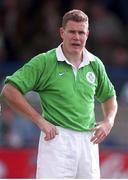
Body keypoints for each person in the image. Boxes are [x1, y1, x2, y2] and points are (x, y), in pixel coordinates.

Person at [1, 9, 118, 178]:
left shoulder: (95, 63)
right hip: (57, 140)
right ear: (62, 32)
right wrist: (39, 120)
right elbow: (9, 91)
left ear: (88, 34)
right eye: (72, 32)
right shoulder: (45, 61)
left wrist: (108, 121)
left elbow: (109, 96)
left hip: (88, 142)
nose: (76, 37)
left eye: (81, 32)